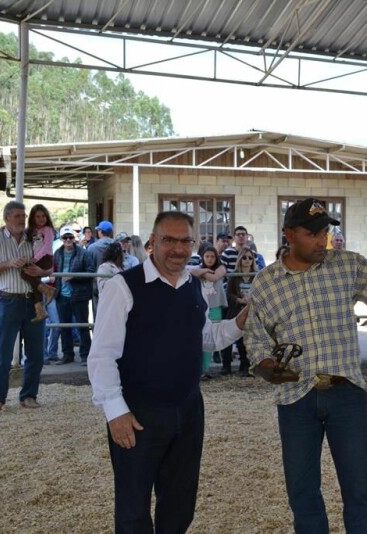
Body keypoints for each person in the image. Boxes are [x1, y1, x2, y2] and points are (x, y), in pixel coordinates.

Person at [244, 198, 367, 533]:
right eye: (312, 233)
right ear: (289, 234)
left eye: (325, 232)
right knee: (303, 495)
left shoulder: (346, 265)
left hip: (346, 392)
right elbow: (255, 340)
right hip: (294, 399)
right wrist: (268, 366)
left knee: (360, 491)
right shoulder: (266, 282)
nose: (323, 240)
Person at [86, 211, 248, 533]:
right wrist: (115, 411)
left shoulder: (194, 286)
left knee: (179, 503)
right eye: (168, 240)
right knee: (133, 508)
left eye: (185, 241)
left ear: (194, 244)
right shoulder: (123, 287)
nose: (177, 248)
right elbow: (101, 355)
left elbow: (206, 338)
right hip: (137, 413)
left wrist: (243, 320)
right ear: (152, 243)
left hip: (188, 410)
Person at [0, 201, 52, 414]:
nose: (21, 219)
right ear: (6, 217)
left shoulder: (33, 237)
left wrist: (40, 272)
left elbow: (49, 266)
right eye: (17, 215)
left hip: (34, 301)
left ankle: (28, 396)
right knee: (2, 352)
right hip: (9, 300)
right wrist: (8, 264)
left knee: (36, 352)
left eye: (23, 215)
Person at [52, 226, 95, 366]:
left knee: (82, 326)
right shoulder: (57, 254)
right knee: (64, 327)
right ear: (61, 239)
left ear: (74, 238)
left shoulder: (84, 253)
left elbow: (91, 272)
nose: (68, 240)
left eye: (70, 237)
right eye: (65, 237)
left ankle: (85, 355)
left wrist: (73, 277)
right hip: (62, 295)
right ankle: (67, 355)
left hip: (79, 295)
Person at [190, 245, 227, 379]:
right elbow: (190, 272)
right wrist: (205, 270)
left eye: (212, 256)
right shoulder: (199, 268)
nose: (210, 259)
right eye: (207, 256)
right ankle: (198, 369)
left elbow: (214, 277)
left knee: (210, 338)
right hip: (201, 307)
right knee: (199, 338)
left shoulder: (221, 268)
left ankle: (205, 368)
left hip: (215, 306)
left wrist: (203, 272)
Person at [223, 247, 258, 376]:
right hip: (236, 311)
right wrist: (239, 300)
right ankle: (226, 366)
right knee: (231, 338)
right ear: (239, 259)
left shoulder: (257, 275)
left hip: (251, 312)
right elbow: (229, 293)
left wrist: (252, 301)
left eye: (250, 258)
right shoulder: (234, 275)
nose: (247, 260)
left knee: (246, 341)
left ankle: (245, 365)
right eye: (244, 257)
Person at [22, 204, 57, 322]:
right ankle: (40, 311)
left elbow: (47, 247)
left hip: (45, 258)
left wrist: (35, 259)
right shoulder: (30, 230)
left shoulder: (48, 230)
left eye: (43, 216)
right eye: (38, 216)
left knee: (25, 273)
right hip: (37, 259)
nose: (41, 219)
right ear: (32, 218)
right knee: (34, 283)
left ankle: (47, 290)